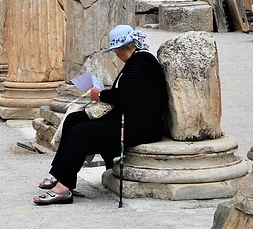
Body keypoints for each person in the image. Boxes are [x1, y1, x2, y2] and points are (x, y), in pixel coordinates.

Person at [33, 25, 167, 205]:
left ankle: (64, 188)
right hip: (130, 118)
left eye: (114, 51)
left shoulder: (141, 61)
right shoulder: (138, 60)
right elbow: (130, 92)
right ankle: (59, 174)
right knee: (73, 120)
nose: (115, 55)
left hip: (139, 126)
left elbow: (128, 95)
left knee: (81, 133)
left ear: (121, 48)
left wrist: (101, 95)